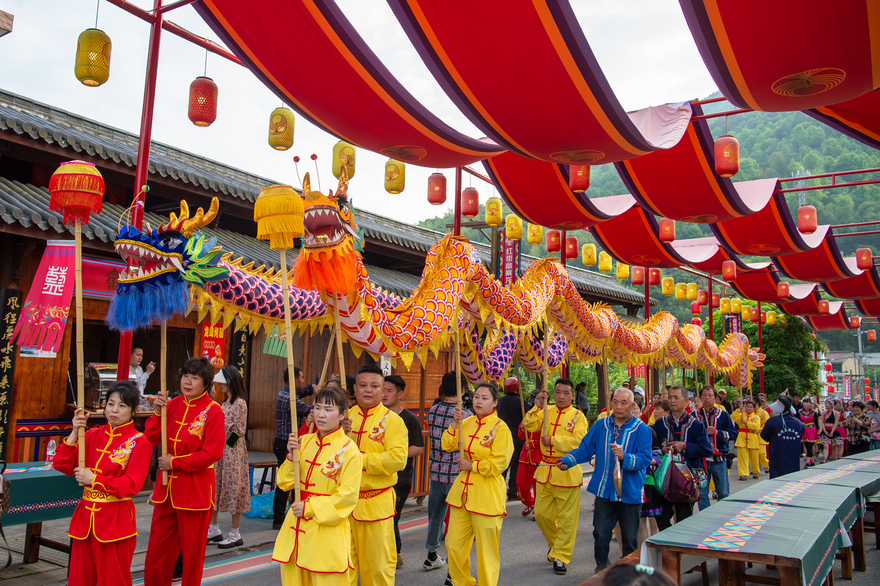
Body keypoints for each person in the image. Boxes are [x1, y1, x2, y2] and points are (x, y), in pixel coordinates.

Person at [53, 381, 150, 586]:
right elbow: (63, 465)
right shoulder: (90, 435)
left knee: (113, 579)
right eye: (110, 404)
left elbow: (132, 485)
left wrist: (94, 480)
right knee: (80, 578)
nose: (114, 410)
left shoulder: (139, 441)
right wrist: (73, 433)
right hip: (85, 518)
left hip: (115, 519)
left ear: (134, 410)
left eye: (122, 405)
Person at [144, 357, 225, 586]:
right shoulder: (174, 404)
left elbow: (212, 453)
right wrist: (158, 413)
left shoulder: (213, 411)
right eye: (185, 376)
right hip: (166, 489)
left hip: (195, 491)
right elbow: (150, 437)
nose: (187, 381)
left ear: (206, 383)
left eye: (194, 377)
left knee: (191, 555)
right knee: (157, 551)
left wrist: (176, 463)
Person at [272, 385, 362, 586]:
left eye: (328, 410)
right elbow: (284, 482)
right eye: (318, 408)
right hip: (295, 531)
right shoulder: (303, 442)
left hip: (326, 536)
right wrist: (290, 456)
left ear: (342, 415)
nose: (321, 415)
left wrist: (309, 507)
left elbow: (346, 498)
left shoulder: (350, 451)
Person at [558, 388, 652, 573]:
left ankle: (629, 573)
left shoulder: (642, 429)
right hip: (604, 490)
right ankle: (602, 568)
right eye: (615, 402)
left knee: (629, 539)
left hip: (629, 492)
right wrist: (568, 460)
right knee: (600, 534)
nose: (618, 406)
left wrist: (626, 457)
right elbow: (585, 448)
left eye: (623, 403)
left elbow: (645, 458)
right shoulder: (601, 425)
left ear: (633, 405)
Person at [443, 382, 513, 586]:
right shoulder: (466, 422)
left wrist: (472, 465)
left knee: (486, 552)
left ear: (495, 403)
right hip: (461, 495)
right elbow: (447, 445)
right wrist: (455, 424)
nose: (479, 401)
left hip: (487, 496)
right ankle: (463, 581)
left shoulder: (501, 429)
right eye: (476, 397)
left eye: (485, 398)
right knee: (453, 546)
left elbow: (500, 462)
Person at [348, 364, 408, 586]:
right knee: (342, 569)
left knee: (378, 571)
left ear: (383, 390)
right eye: (362, 385)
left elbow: (398, 459)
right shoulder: (343, 418)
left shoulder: (393, 421)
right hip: (344, 506)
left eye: (374, 386)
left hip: (376, 505)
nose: (368, 390)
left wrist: (359, 459)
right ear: (354, 389)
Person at [524, 378, 588, 575]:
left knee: (567, 519)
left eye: (566, 393)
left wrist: (554, 440)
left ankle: (561, 555)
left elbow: (579, 442)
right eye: (558, 392)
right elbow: (529, 424)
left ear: (572, 395)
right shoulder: (546, 410)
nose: (561, 396)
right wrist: (538, 405)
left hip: (567, 471)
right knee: (542, 516)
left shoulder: (578, 416)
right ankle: (555, 545)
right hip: (544, 470)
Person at [423, 371, 471, 577]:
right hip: (456, 473)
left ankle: (431, 555)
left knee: (435, 515)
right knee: (458, 521)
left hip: (435, 471)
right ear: (462, 389)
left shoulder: (433, 410)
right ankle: (455, 567)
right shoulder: (465, 415)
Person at [651, 386, 713, 530]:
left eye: (676, 397)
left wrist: (685, 446)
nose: (672, 401)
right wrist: (662, 450)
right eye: (670, 397)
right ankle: (667, 548)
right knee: (662, 516)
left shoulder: (696, 424)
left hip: (686, 478)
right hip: (664, 476)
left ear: (686, 401)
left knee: (684, 517)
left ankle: (679, 546)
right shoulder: (661, 424)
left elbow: (706, 449)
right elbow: (652, 448)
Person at [382, 374, 425, 569]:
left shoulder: (409, 419)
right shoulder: (377, 416)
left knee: (392, 517)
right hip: (379, 476)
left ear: (400, 394)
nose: (383, 394)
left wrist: (395, 455)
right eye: (381, 389)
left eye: (388, 391)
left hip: (401, 477)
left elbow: (419, 447)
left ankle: (396, 553)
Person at [208, 366, 251, 548]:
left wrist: (227, 445)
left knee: (235, 487)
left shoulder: (239, 403)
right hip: (223, 451)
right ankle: (214, 529)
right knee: (217, 487)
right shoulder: (225, 402)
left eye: (221, 382)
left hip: (233, 451)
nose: (219, 385)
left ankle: (235, 533)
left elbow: (239, 431)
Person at [273, 368, 314, 530]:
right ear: (294, 380)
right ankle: (278, 519)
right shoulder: (287, 397)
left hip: (288, 442)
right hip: (284, 444)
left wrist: (314, 387)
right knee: (285, 482)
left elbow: (302, 392)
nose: (303, 380)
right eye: (302, 377)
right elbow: (306, 409)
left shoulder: (289, 393)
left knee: (291, 479)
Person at [695, 386, 737, 509]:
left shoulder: (723, 415)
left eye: (710, 395)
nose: (707, 398)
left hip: (719, 460)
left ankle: (720, 517)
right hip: (701, 462)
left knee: (723, 493)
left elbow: (733, 434)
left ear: (715, 398)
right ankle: (705, 518)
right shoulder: (694, 416)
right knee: (702, 494)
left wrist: (717, 433)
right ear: (700, 397)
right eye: (704, 395)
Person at [760, 395, 804, 479]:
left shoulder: (772, 421)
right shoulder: (798, 423)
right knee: (791, 483)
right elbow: (800, 436)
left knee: (776, 484)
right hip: (793, 459)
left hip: (777, 459)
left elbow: (764, 436)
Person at [496, 376, 525, 500]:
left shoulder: (499, 401)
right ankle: (512, 492)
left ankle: (499, 492)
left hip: (501, 437)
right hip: (517, 438)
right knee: (515, 467)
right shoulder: (521, 402)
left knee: (502, 466)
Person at [732, 399, 761, 480]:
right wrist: (738, 410)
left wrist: (747, 423)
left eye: (751, 407)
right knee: (742, 458)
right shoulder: (741, 415)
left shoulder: (756, 417)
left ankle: (755, 471)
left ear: (754, 408)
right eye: (747, 406)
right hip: (742, 437)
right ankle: (743, 474)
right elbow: (733, 417)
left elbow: (756, 427)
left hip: (752, 437)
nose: (749, 408)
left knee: (754, 457)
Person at [797, 397, 821, 467]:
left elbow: (816, 423)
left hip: (812, 430)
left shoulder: (814, 412)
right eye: (805, 402)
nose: (806, 404)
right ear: (802, 403)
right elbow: (798, 422)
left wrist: (818, 432)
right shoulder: (800, 412)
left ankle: (808, 461)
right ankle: (812, 460)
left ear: (810, 404)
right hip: (804, 430)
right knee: (806, 446)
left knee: (810, 446)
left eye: (808, 402)